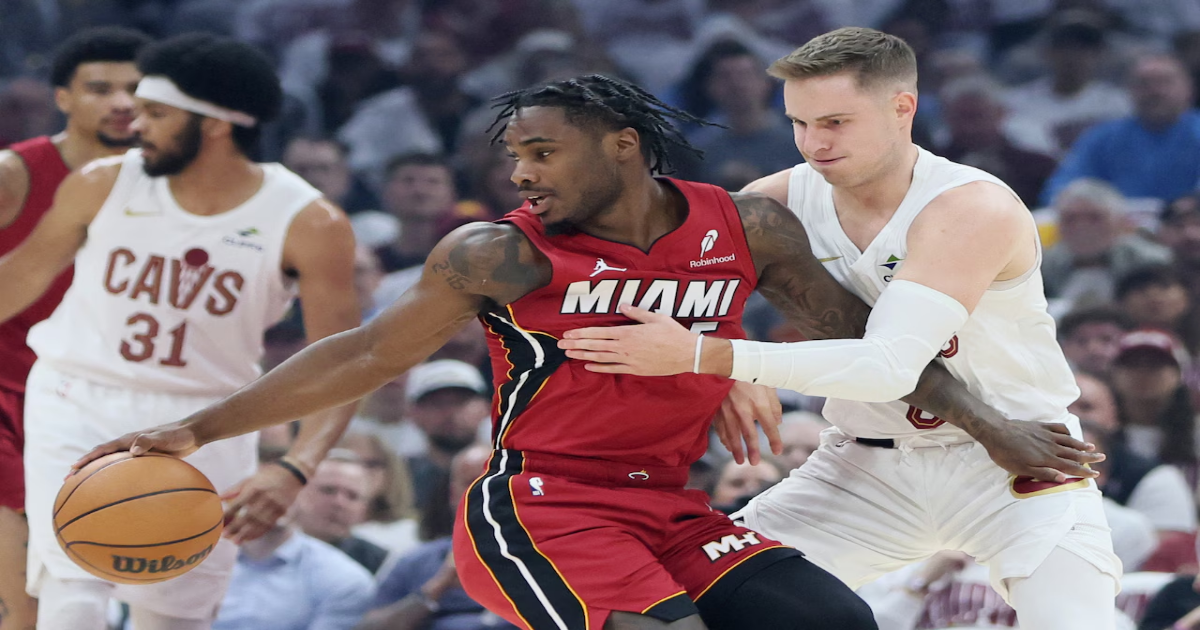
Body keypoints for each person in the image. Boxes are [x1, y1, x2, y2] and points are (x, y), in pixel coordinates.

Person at [77, 73, 1097, 630]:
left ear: (622, 146)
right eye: (513, 156)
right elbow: (362, 354)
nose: (521, 174)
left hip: (671, 506)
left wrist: (992, 425)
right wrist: (198, 430)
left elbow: (865, 339)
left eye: (541, 152)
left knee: (833, 625)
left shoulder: (744, 226)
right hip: (540, 507)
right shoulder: (500, 253)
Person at [559, 29, 1120, 630]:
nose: (813, 143)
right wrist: (724, 359)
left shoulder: (969, 207)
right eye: (798, 123)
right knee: (674, 603)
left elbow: (887, 367)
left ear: (902, 108)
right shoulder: (772, 202)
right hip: (861, 469)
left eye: (835, 122)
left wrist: (710, 356)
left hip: (1013, 458)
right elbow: (672, 295)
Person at [0, 34, 361, 630]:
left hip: (208, 421)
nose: (134, 122)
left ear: (214, 124)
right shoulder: (103, 182)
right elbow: (18, 278)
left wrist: (296, 465)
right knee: (72, 593)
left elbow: (341, 363)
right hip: (76, 397)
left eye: (156, 113)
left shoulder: (308, 221)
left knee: (174, 615)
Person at [0, 26, 150, 630]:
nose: (122, 102)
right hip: (8, 393)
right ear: (62, 98)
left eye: (135, 89)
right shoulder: (14, 173)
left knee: (88, 594)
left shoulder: (171, 185)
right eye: (101, 88)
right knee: (25, 596)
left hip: (103, 401)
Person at [356, 444, 518, 630]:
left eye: (494, 482)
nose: (483, 492)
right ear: (453, 494)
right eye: (471, 483)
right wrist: (436, 587)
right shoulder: (416, 561)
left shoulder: (542, 556)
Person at [291, 449, 390, 574]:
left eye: (352, 496)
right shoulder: (271, 544)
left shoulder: (379, 564)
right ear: (298, 492)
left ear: (365, 508)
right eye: (328, 490)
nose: (339, 503)